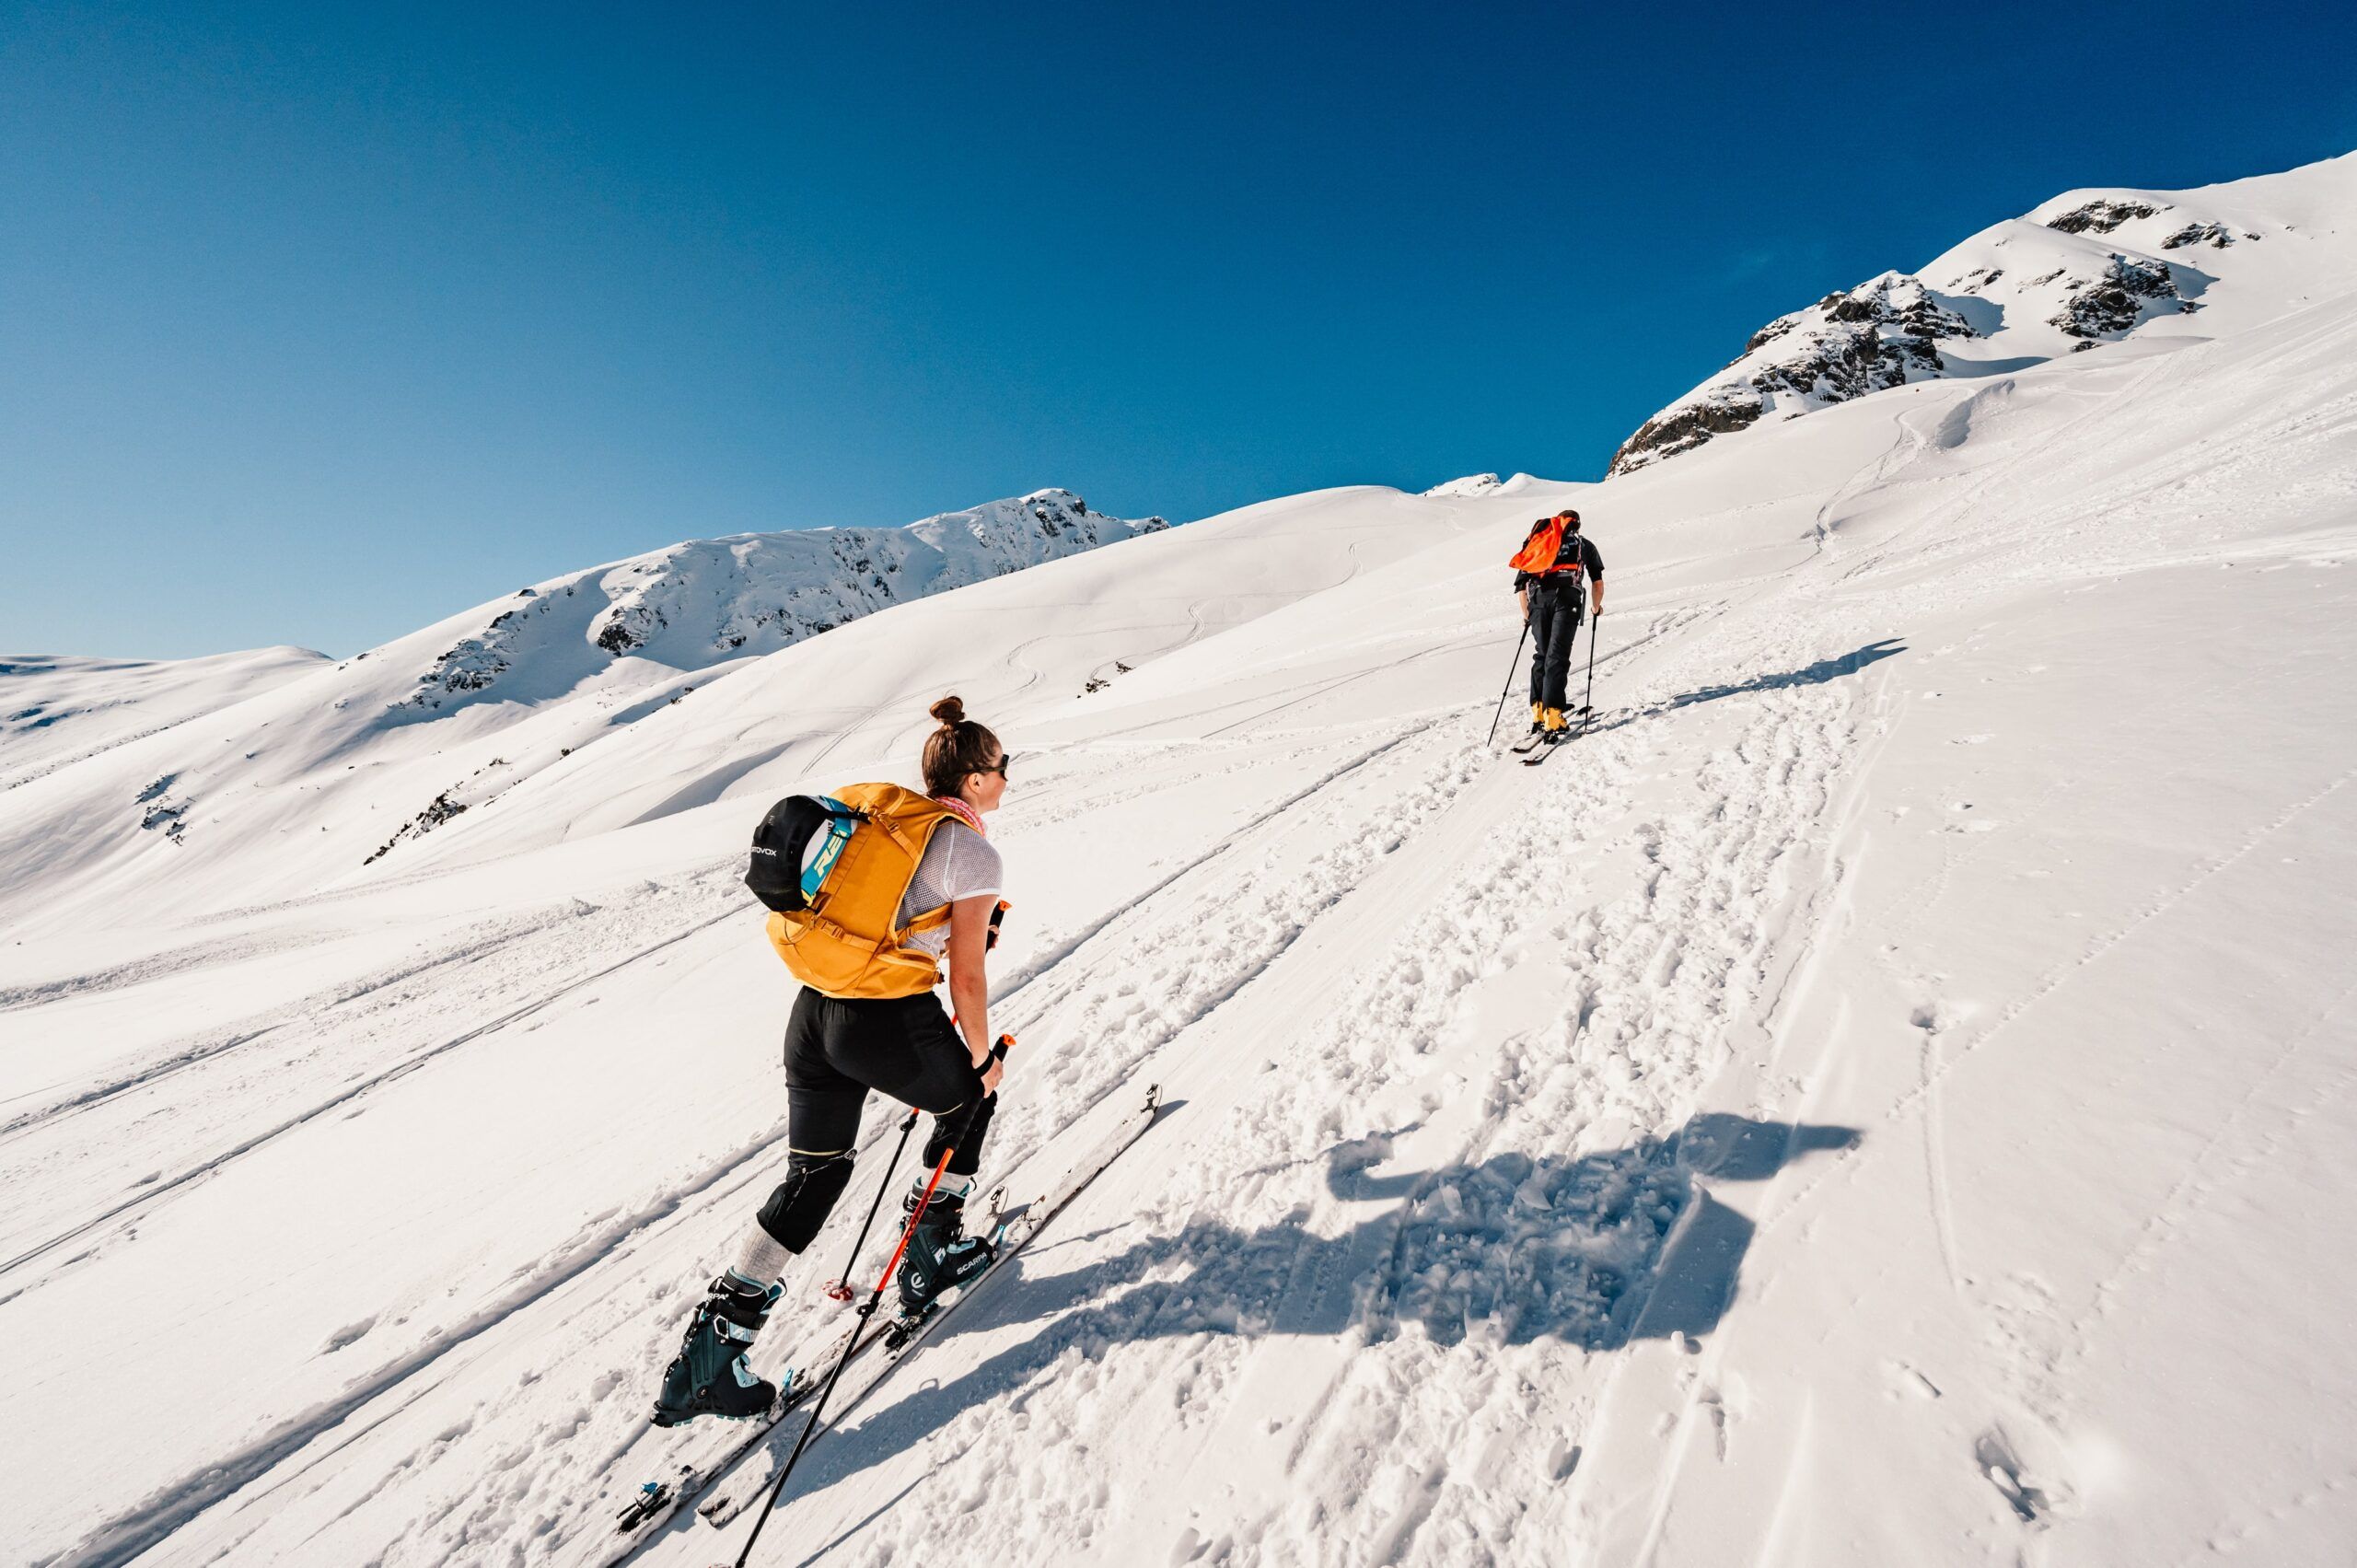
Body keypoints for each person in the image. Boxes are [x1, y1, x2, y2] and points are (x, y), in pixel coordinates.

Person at [654, 696, 1014, 1426]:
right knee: (971, 1100)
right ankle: (932, 1254)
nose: (1008, 777)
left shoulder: (888, 821)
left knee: (816, 1172)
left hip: (814, 1014)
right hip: (884, 1019)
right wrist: (977, 1058)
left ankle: (709, 1359)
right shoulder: (971, 850)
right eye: (1003, 766)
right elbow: (969, 978)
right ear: (974, 779)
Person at [1511, 509, 1605, 738]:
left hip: (1538, 602)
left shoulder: (1539, 543)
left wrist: (1527, 615)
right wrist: (1595, 607)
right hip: (1566, 599)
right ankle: (1554, 715)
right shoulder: (1583, 545)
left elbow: (1521, 587)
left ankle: (1539, 710)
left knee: (1542, 654)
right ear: (1577, 525)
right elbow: (1597, 582)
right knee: (1557, 655)